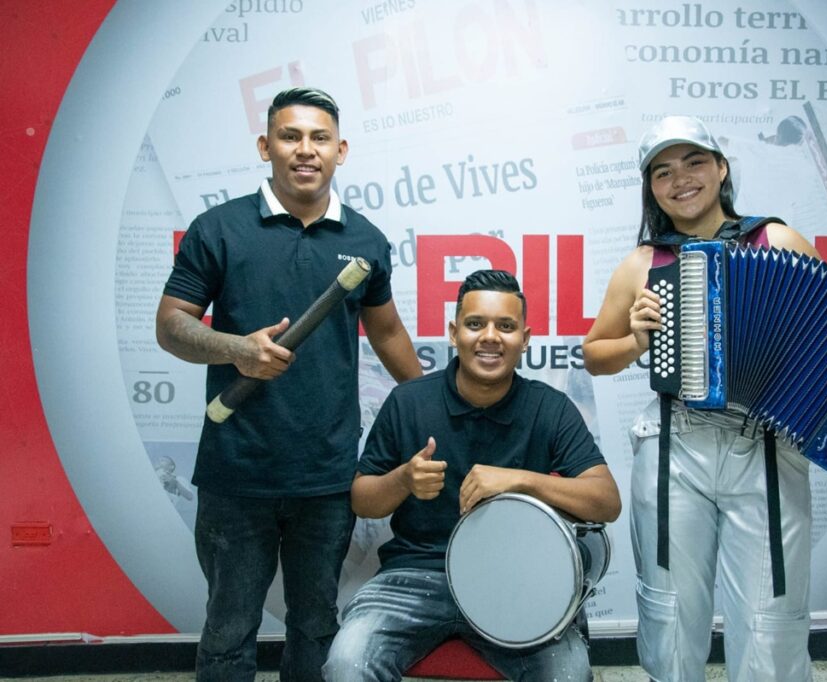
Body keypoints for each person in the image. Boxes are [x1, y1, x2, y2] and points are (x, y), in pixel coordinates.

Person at [581, 116, 827, 682]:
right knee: (669, 610)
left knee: (771, 619)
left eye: (693, 162)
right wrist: (637, 340)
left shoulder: (777, 241)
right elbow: (595, 354)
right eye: (663, 171)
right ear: (651, 188)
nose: (680, 179)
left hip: (765, 450)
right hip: (673, 450)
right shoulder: (643, 263)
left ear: (721, 168)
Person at [155, 87, 422, 681]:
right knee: (228, 631)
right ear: (265, 145)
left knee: (316, 627)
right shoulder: (218, 229)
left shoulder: (365, 242)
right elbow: (170, 327)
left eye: (319, 137)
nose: (306, 150)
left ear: (341, 150)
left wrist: (435, 404)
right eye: (290, 135)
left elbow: (388, 333)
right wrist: (236, 350)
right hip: (237, 472)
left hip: (326, 477)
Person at [322, 269, 622, 682]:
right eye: (475, 324)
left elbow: (607, 501)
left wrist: (520, 480)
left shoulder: (549, 408)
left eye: (506, 326)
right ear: (453, 333)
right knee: (346, 664)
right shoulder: (408, 402)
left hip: (518, 581)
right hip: (414, 576)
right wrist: (403, 481)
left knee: (569, 673)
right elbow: (361, 498)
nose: (490, 337)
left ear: (526, 338)